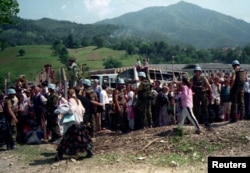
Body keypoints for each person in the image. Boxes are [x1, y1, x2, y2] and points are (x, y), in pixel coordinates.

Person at [190, 66, 213, 130]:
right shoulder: (192, 78)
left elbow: (209, 86)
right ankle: (195, 122)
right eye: (196, 71)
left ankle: (206, 122)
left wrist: (210, 93)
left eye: (198, 71)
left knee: (205, 108)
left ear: (200, 72)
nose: (197, 73)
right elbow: (190, 86)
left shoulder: (204, 78)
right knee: (196, 109)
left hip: (203, 94)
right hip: (196, 95)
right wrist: (191, 92)